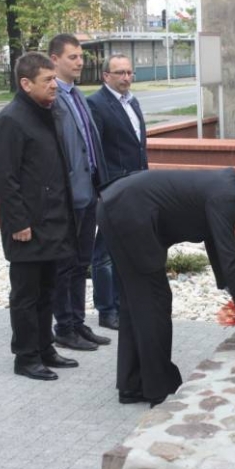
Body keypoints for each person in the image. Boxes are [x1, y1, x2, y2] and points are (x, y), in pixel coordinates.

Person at [97, 156, 235, 406]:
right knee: (154, 302)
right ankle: (158, 390)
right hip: (129, 215)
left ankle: (133, 385)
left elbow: (217, 247)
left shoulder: (227, 187)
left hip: (119, 207)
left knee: (137, 302)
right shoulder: (231, 197)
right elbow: (230, 258)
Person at [0, 52, 79, 381]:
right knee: (26, 295)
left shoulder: (47, 112)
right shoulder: (10, 120)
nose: (54, 85)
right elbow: (5, 178)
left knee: (47, 290)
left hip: (52, 221)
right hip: (27, 226)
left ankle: (45, 347)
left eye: (54, 78)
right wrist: (19, 223)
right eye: (48, 80)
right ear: (26, 84)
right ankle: (26, 357)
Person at [47, 34, 112, 351]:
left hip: (89, 192)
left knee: (81, 262)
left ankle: (78, 322)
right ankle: (65, 326)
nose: (80, 62)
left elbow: (90, 143)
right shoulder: (52, 98)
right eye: (72, 57)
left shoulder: (77, 96)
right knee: (65, 264)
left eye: (81, 57)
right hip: (68, 196)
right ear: (54, 59)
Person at [87, 54, 148, 331]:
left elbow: (138, 146)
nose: (126, 77)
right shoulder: (96, 104)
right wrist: (103, 188)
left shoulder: (132, 101)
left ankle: (124, 304)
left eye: (129, 72)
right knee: (105, 252)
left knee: (127, 249)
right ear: (106, 76)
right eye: (120, 73)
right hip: (113, 188)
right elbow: (96, 151)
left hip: (137, 186)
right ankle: (106, 310)